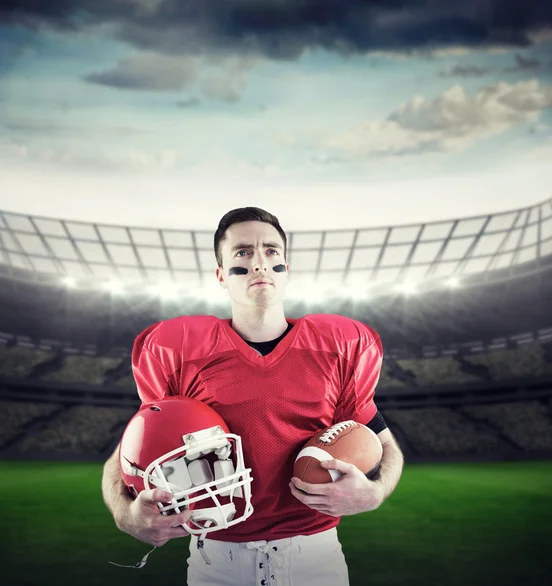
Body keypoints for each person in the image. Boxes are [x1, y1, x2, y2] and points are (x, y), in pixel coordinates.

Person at [102, 207, 405, 586]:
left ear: (286, 269)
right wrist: (123, 512)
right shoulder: (180, 351)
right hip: (217, 560)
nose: (260, 262)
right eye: (243, 252)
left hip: (316, 557)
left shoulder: (338, 346)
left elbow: (384, 444)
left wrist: (375, 493)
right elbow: (131, 449)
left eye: (272, 251)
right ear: (221, 275)